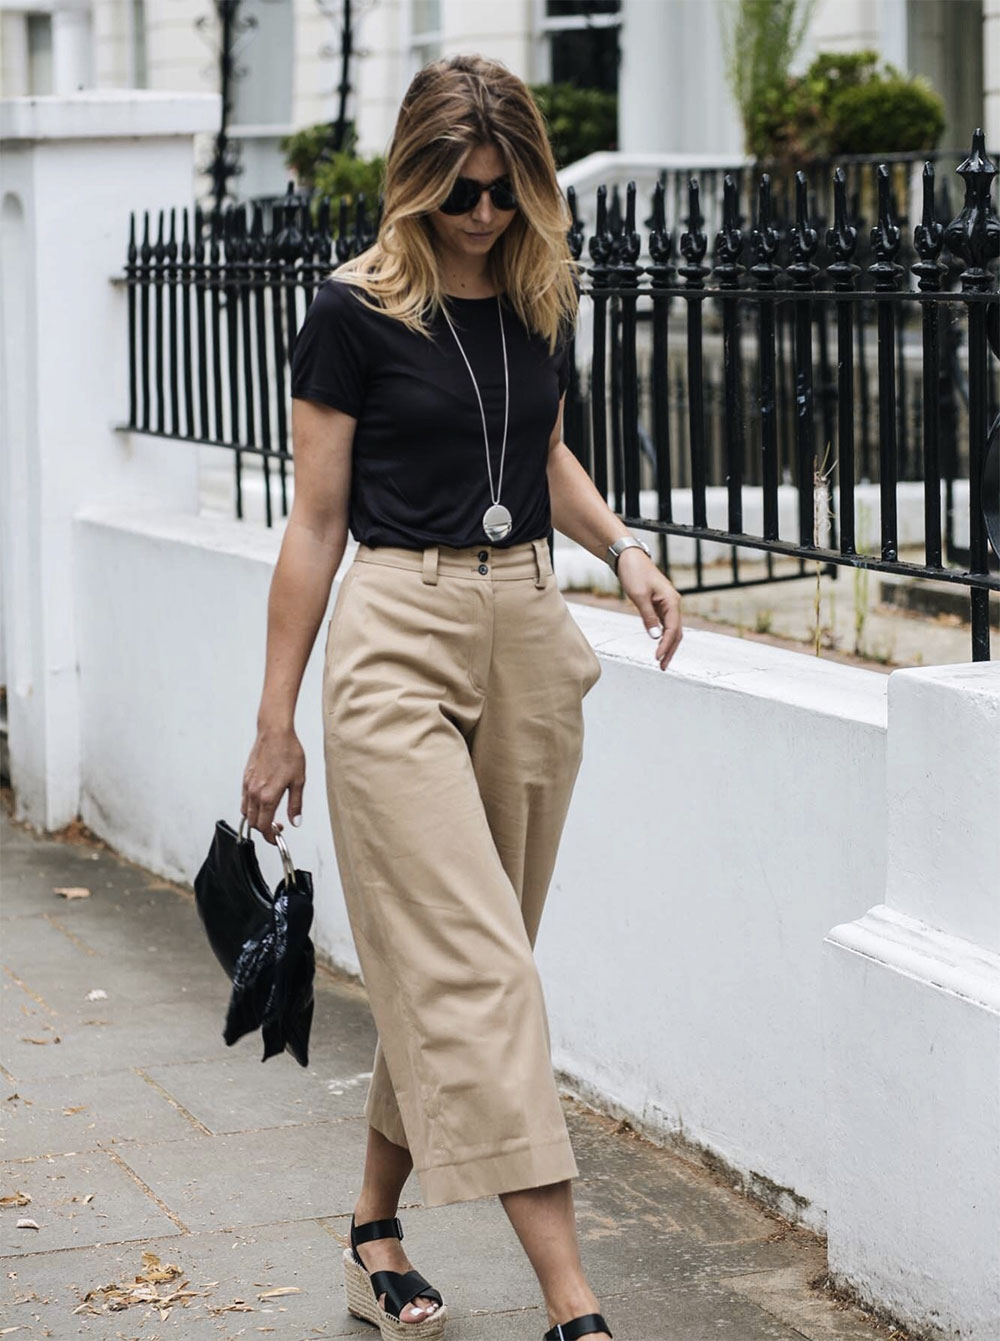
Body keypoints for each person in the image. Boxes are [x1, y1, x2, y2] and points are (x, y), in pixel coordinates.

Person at [241, 52, 682, 1341]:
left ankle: (376, 1226)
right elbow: (314, 525)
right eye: (457, 194)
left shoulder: (541, 297)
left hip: (531, 633)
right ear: (415, 184)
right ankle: (574, 1306)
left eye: (501, 191)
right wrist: (276, 721)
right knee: (482, 973)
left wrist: (627, 551)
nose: (481, 216)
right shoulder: (353, 313)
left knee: (468, 965)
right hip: (398, 634)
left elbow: (541, 452)